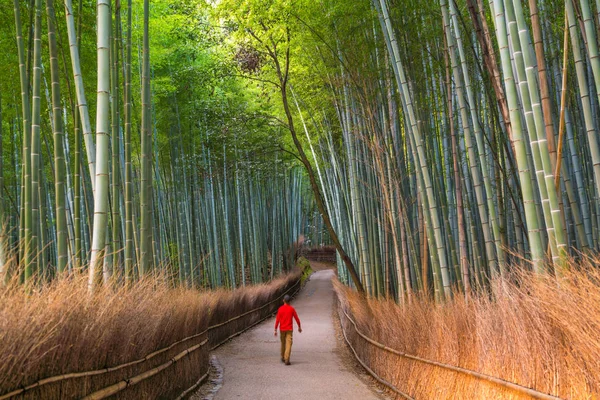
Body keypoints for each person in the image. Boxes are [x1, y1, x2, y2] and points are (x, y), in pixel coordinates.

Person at [274, 294, 302, 365]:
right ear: (289, 301)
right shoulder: (291, 309)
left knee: (283, 343)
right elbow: (297, 318)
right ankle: (287, 359)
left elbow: (277, 320)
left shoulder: (280, 309)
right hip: (289, 329)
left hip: (282, 329)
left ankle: (283, 356)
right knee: (289, 344)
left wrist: (275, 329)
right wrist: (299, 327)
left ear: (283, 300)